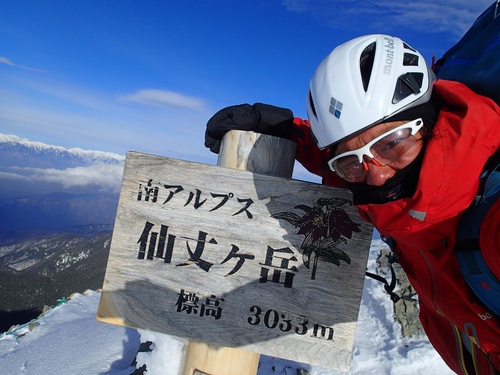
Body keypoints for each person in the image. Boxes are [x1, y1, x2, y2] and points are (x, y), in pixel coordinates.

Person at [204, 34, 500, 374]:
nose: (376, 177)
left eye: (391, 145)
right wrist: (287, 133)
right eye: (351, 162)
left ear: (431, 123)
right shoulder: (393, 189)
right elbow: (353, 158)